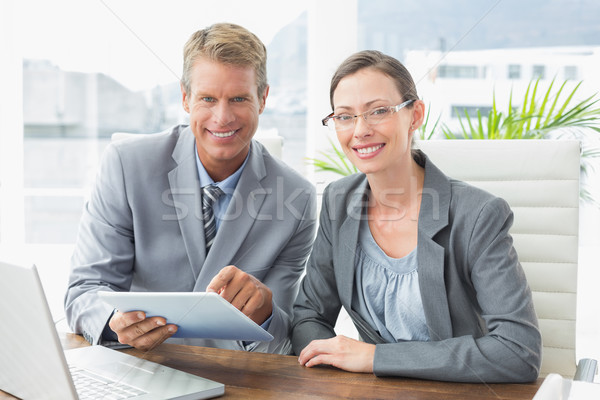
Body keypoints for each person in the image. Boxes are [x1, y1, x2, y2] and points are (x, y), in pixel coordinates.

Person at [65, 22, 317, 354]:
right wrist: (115, 323)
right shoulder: (126, 165)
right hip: (140, 364)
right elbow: (84, 291)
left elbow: (282, 340)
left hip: (235, 378)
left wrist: (266, 316)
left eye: (239, 98)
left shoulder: (297, 198)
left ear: (263, 98)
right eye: (208, 98)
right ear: (185, 98)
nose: (222, 116)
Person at [291, 50, 541, 382]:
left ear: (415, 114)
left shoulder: (478, 215)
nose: (360, 130)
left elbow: (517, 352)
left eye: (378, 111)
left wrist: (376, 358)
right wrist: (329, 359)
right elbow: (308, 315)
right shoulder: (339, 201)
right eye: (344, 116)